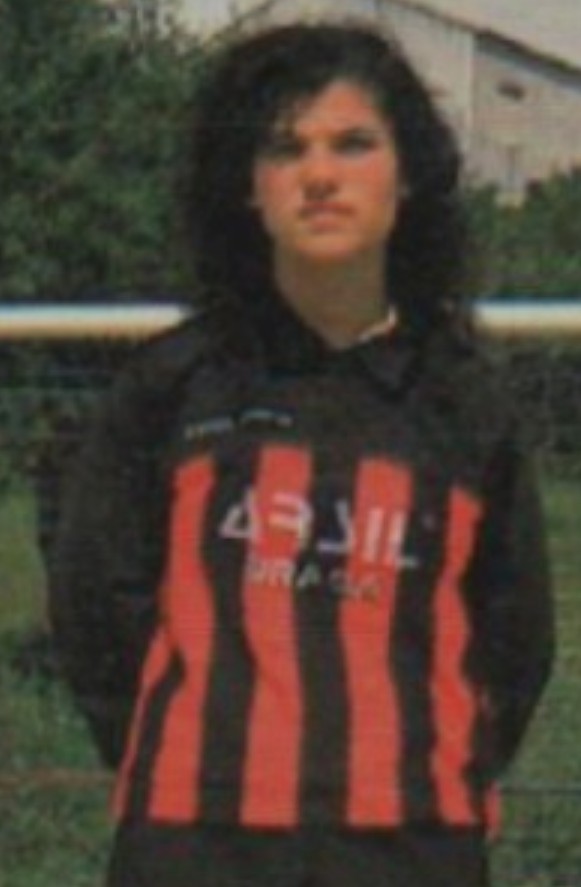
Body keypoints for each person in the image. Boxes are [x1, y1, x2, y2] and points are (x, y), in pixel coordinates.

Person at [49, 21, 554, 887]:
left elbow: (512, 639)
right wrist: (207, 749)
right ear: (248, 187)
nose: (319, 176)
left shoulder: (464, 404)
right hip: (194, 843)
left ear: (406, 175)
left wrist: (424, 760)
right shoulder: (171, 385)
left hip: (411, 846)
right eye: (285, 149)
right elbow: (97, 606)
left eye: (352, 144)